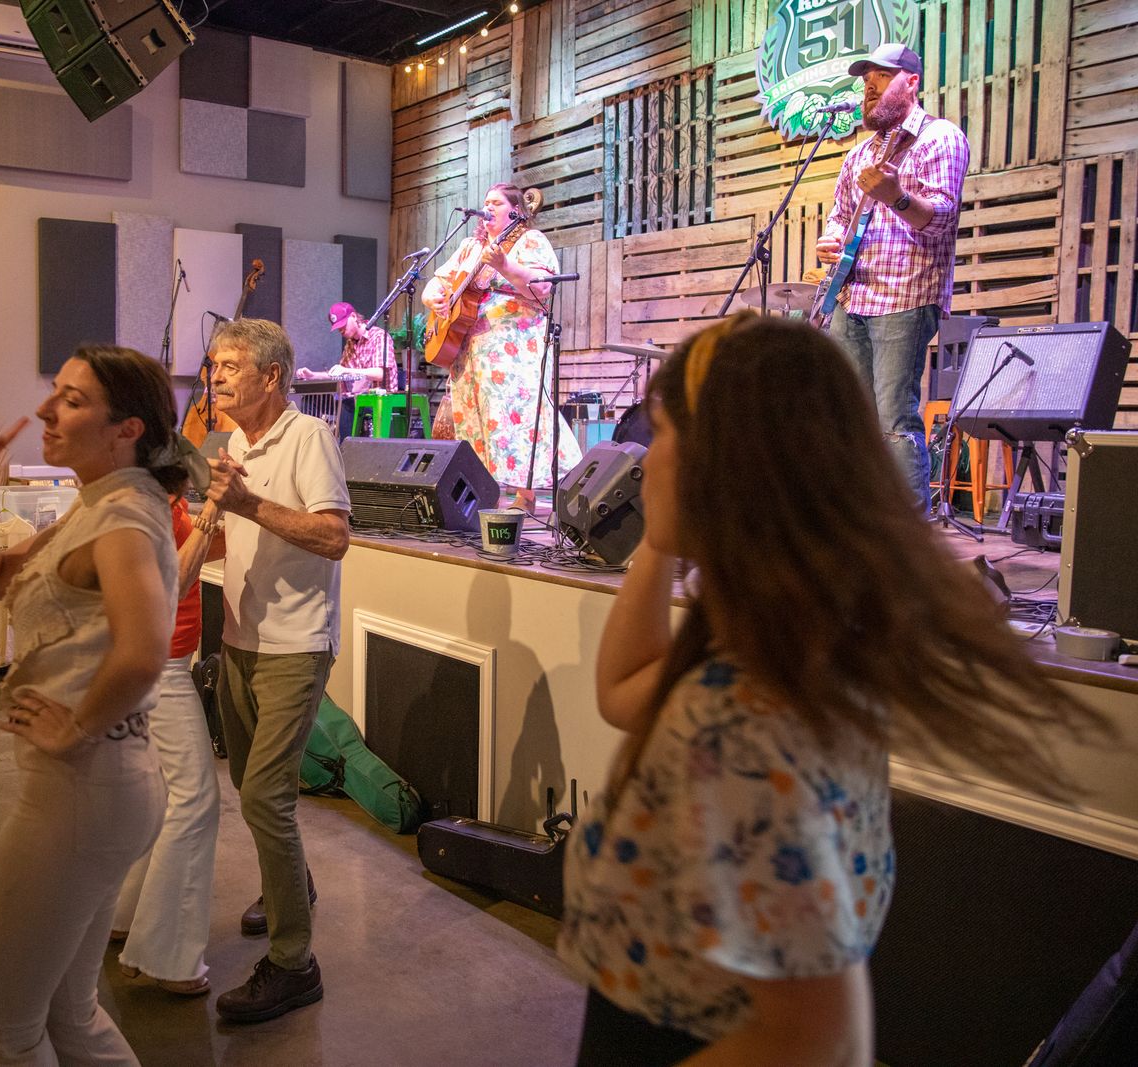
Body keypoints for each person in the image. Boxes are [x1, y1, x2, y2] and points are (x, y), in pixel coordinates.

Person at [558, 314, 1106, 1064]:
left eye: (660, 436)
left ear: (724, 465)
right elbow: (623, 690)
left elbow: (815, 1038)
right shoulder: (781, 640)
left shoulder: (745, 725)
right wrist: (660, 536)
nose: (641, 461)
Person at [0, 345, 185, 1065]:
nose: (47, 410)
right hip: (101, 787)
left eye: (73, 401)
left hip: (83, 789)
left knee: (0, 1027)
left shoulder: (122, 517)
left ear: (127, 430)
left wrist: (77, 727)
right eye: (57, 392)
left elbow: (143, 651)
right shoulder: (98, 503)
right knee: (67, 1014)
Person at [185, 317, 350, 1023]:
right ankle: (293, 884)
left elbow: (335, 536)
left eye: (229, 366)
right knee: (250, 786)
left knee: (265, 798)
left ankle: (294, 965)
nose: (215, 377)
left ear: (271, 375)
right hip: (241, 637)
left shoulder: (308, 438)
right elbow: (240, 533)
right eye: (213, 366)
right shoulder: (232, 444)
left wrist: (246, 502)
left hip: (295, 643)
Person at [815, 42, 970, 504]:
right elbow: (840, 215)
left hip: (904, 296)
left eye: (882, 77)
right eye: (867, 80)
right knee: (850, 419)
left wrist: (896, 196)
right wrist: (830, 239)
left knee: (894, 420)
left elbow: (941, 218)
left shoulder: (940, 138)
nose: (870, 87)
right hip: (851, 297)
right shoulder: (859, 154)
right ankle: (862, 523)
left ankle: (909, 533)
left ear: (911, 82)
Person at [108, 492, 221, 997]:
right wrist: (213, 512)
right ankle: (164, 957)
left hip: (152, 661)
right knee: (196, 799)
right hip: (161, 667)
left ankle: (124, 916)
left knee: (164, 798)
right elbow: (171, 579)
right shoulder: (143, 492)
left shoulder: (153, 491)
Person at [422, 182, 581, 513]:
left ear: (515, 209)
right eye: (486, 201)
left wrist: (505, 265)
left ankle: (526, 495)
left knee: (514, 416)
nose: (488, 207)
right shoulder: (470, 246)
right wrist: (431, 297)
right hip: (469, 348)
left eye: (496, 202)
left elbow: (543, 288)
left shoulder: (530, 241)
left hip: (513, 348)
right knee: (473, 419)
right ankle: (487, 494)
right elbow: (439, 280)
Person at [297, 301, 398, 440]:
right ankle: (313, 443)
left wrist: (348, 371)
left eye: (343, 325)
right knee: (310, 401)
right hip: (353, 399)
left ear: (354, 317)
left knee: (346, 404)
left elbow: (380, 374)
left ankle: (345, 447)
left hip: (376, 399)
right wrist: (312, 376)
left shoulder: (378, 336)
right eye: (338, 328)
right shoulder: (350, 344)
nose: (341, 330)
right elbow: (341, 374)